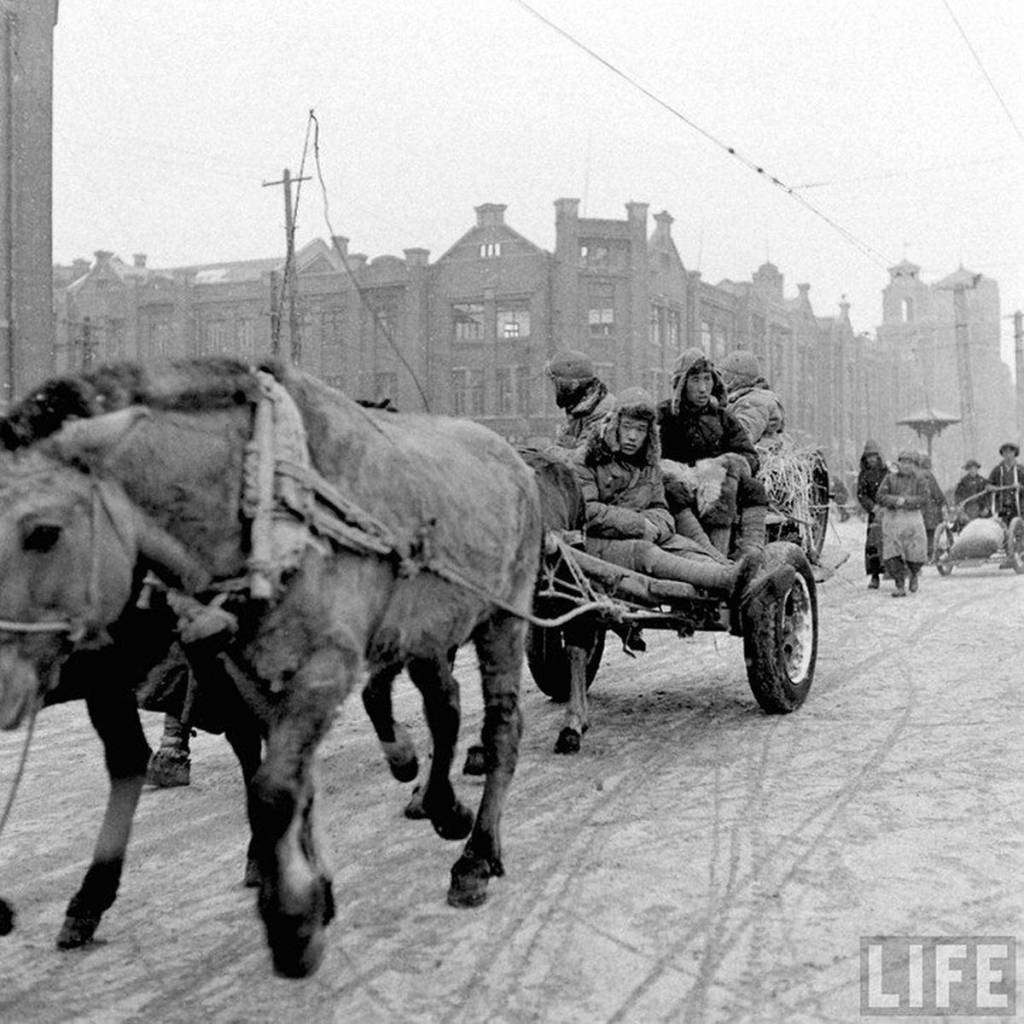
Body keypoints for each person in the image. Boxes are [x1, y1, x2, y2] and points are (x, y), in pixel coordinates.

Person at [572, 387, 755, 595]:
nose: (632, 436)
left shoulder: (649, 466)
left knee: (686, 548)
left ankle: (737, 579)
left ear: (649, 434)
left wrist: (654, 526)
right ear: (614, 426)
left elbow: (662, 510)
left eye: (640, 429)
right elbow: (587, 511)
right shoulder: (587, 459)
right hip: (596, 544)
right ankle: (724, 579)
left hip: (646, 534)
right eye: (627, 427)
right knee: (646, 553)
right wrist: (639, 524)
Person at [657, 348, 769, 558]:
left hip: (720, 485)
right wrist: (683, 473)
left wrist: (724, 465)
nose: (702, 388)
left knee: (753, 488)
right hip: (680, 483)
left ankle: (750, 553)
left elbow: (749, 456)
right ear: (681, 385)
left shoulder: (723, 418)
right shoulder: (665, 415)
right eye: (695, 380)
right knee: (674, 491)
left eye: (707, 380)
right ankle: (711, 555)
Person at [875, 450, 929, 597]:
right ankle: (899, 584)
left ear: (914, 465)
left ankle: (914, 573)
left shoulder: (920, 479)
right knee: (893, 551)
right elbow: (880, 496)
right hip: (893, 518)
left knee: (916, 550)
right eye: (903, 462)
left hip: (913, 518)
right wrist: (894, 501)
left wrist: (908, 501)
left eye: (909, 462)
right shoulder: (890, 478)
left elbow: (925, 498)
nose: (906, 465)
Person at [546, 349, 615, 450]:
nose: (553, 390)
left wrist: (550, 454)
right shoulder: (579, 410)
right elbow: (561, 446)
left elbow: (582, 459)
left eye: (556, 384)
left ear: (573, 385)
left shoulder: (600, 412)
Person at [718, 348, 786, 446]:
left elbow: (741, 437)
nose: (721, 380)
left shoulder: (755, 402)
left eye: (726, 375)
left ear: (738, 378)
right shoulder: (741, 399)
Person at [856, 439, 888, 589]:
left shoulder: (886, 472)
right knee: (873, 545)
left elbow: (892, 487)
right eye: (868, 457)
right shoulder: (864, 475)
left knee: (890, 542)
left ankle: (893, 571)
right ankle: (875, 575)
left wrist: (887, 504)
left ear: (878, 457)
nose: (871, 460)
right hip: (875, 514)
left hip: (888, 512)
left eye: (874, 456)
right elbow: (861, 494)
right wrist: (872, 507)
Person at [915, 452, 947, 561]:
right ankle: (930, 553)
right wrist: (943, 503)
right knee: (931, 533)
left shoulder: (914, 474)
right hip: (929, 510)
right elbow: (936, 493)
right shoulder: (928, 475)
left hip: (919, 510)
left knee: (921, 533)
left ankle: (922, 553)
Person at [986, 442, 1024, 526]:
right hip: (1002, 507)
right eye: (1005, 453)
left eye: (1010, 452)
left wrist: (1020, 487)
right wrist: (992, 488)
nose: (1008, 455)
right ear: (1002, 455)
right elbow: (988, 486)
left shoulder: (1021, 470)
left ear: (1015, 454)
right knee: (1001, 529)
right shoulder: (997, 470)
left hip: (1018, 507)